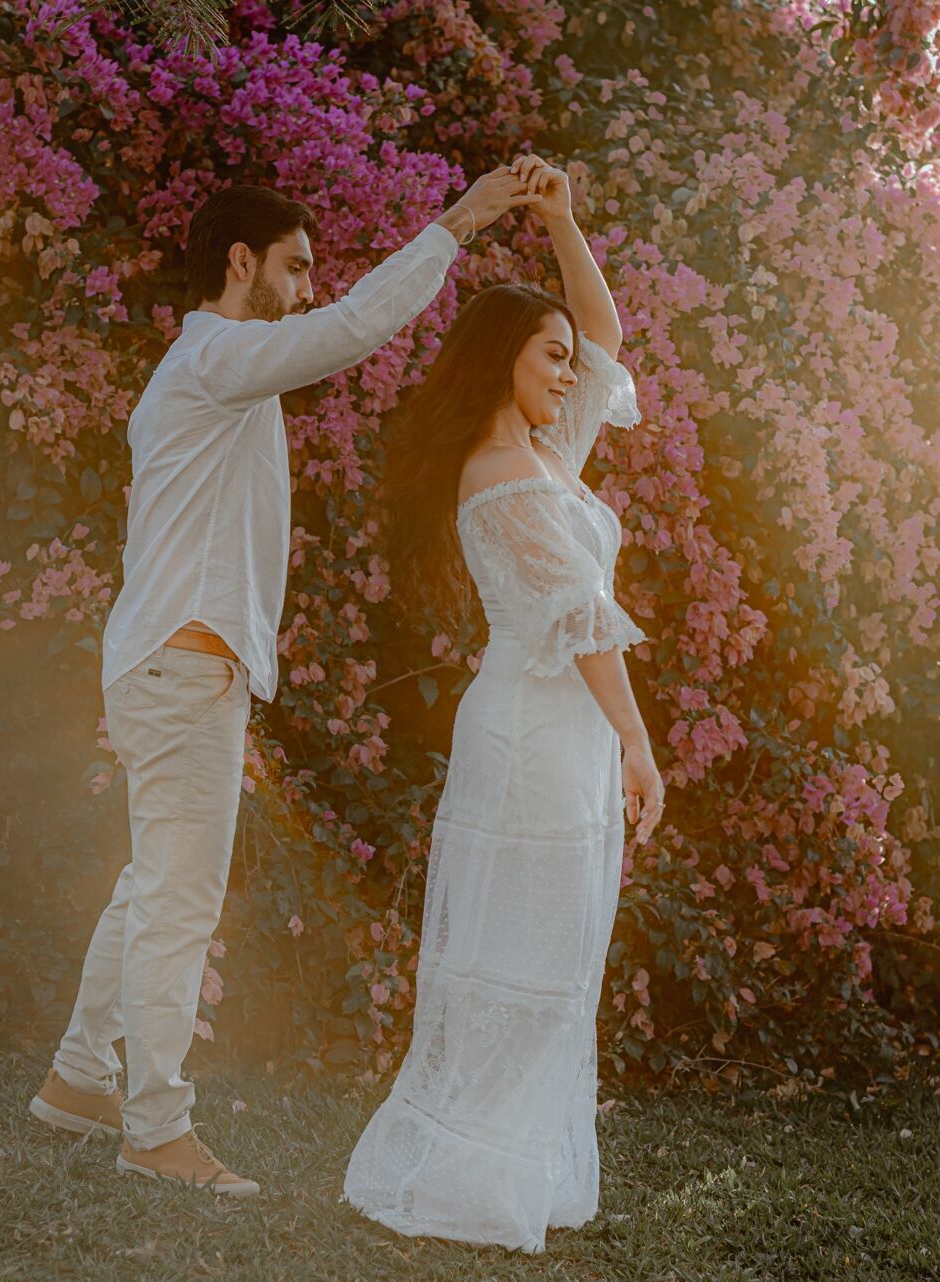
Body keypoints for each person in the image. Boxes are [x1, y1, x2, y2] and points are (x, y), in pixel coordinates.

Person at [27, 167, 544, 1198]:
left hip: (166, 663)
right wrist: (464, 221)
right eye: (295, 266)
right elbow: (353, 328)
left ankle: (80, 1083)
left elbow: (330, 325)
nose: (307, 287)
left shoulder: (209, 368)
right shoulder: (220, 354)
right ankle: (155, 1127)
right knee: (179, 899)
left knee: (150, 884)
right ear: (240, 263)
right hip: (183, 665)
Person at [342, 153, 665, 1251]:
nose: (573, 375)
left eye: (568, 363)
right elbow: (579, 621)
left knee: (557, 959)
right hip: (533, 736)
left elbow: (608, 338)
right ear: (502, 365)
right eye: (551, 359)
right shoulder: (501, 476)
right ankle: (470, 1178)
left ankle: (518, 1162)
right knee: (515, 962)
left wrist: (564, 223)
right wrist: (638, 742)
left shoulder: (547, 455)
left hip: (559, 739)